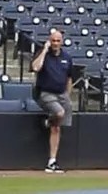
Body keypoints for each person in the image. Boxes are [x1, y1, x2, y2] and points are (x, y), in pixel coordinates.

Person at [32, 28, 73, 172]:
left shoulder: (67, 57)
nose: (55, 43)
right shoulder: (44, 54)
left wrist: (67, 95)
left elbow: (69, 78)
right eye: (53, 40)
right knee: (59, 113)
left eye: (58, 41)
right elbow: (36, 67)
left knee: (57, 128)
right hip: (46, 93)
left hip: (61, 94)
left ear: (62, 42)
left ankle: (52, 160)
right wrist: (44, 50)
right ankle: (49, 120)